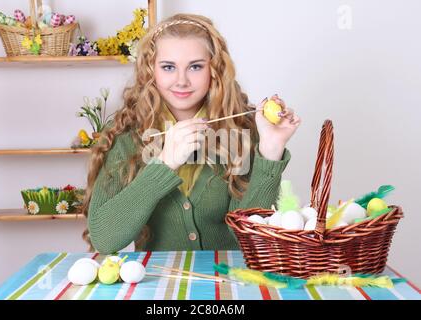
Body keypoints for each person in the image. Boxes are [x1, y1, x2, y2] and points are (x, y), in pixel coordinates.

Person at [82, 13, 301, 254]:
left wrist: (270, 149)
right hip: (160, 286)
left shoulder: (243, 131)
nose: (182, 81)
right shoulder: (126, 136)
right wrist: (164, 163)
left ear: (214, 69)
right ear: (150, 70)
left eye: (195, 66)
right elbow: (103, 239)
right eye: (168, 67)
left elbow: (253, 242)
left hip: (229, 283)